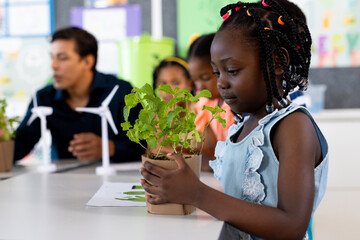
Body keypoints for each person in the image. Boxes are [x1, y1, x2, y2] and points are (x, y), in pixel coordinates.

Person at [140, 1, 329, 239]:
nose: (221, 83)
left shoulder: (293, 126)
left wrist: (197, 194)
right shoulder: (241, 125)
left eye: (232, 70)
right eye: (217, 72)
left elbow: (292, 226)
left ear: (278, 62)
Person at [14, 26, 144, 163]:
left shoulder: (121, 91)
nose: (53, 65)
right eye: (52, 58)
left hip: (115, 179)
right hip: (61, 181)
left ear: (88, 61)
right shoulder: (43, 98)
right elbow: (21, 145)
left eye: (62, 58)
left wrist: (110, 148)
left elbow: (144, 145)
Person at [187, 33, 236, 171]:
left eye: (206, 77)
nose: (200, 86)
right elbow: (209, 146)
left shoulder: (236, 105)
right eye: (195, 80)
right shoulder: (205, 104)